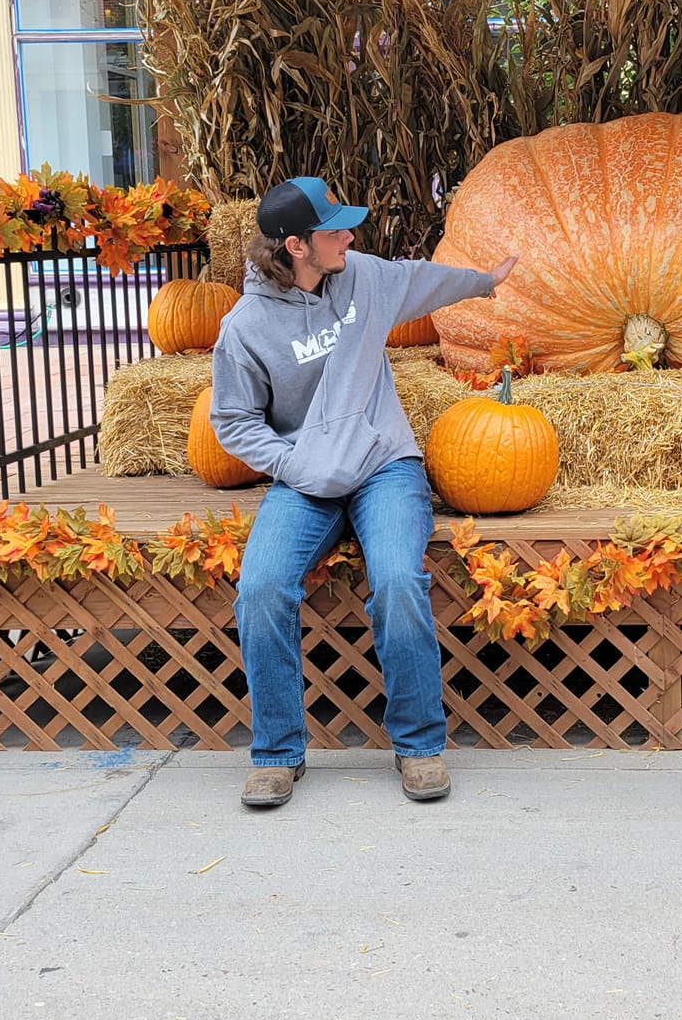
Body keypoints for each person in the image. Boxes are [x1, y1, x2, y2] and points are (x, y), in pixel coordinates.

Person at [211, 177, 516, 810]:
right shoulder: (245, 328)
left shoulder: (363, 279)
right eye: (334, 230)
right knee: (262, 587)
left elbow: (419, 278)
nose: (350, 236)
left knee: (400, 581)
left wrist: (485, 280)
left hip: (384, 466)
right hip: (306, 479)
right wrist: (294, 462)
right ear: (297, 245)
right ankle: (276, 753)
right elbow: (234, 422)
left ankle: (420, 745)